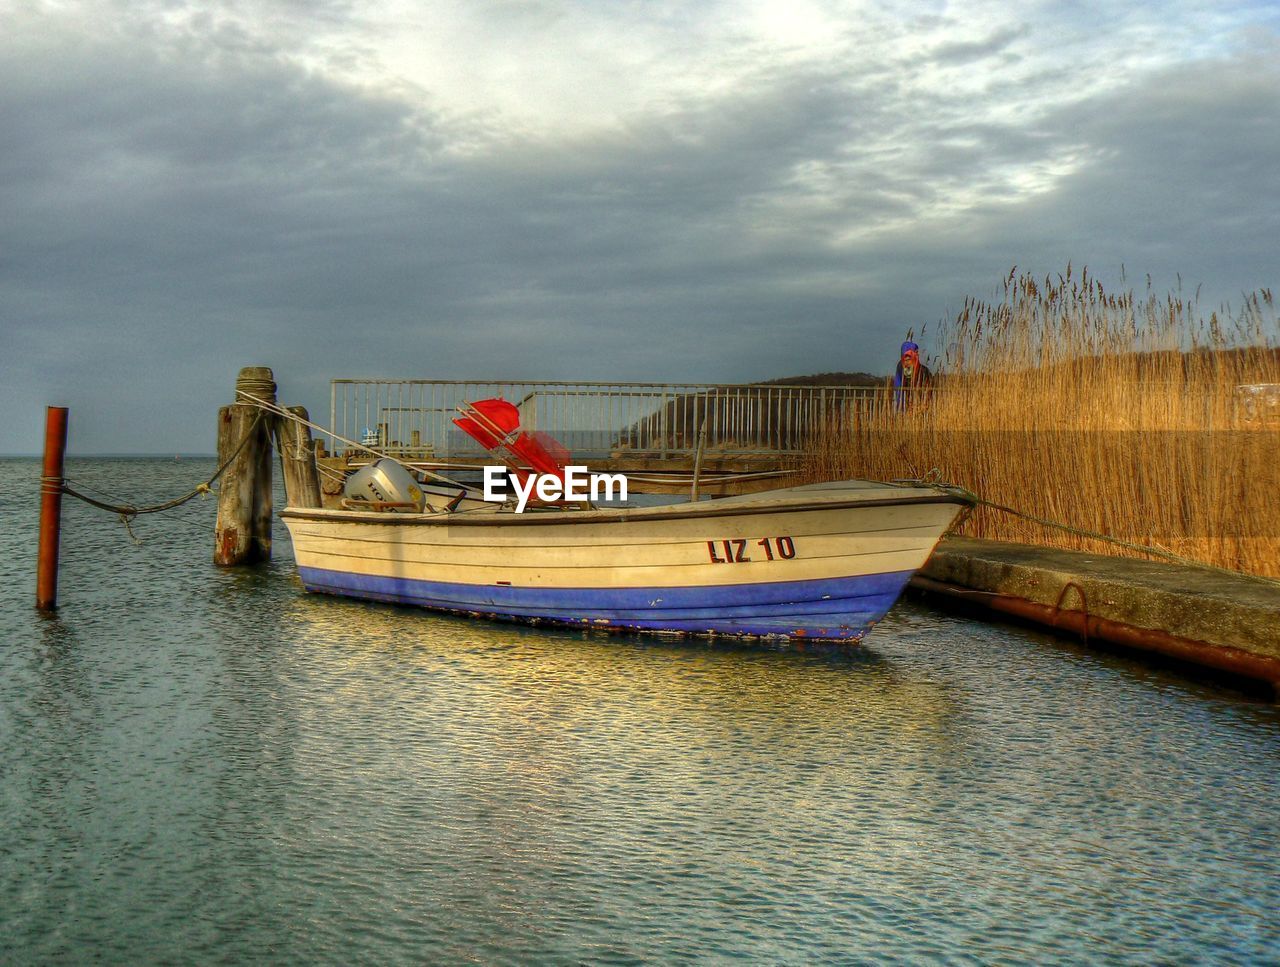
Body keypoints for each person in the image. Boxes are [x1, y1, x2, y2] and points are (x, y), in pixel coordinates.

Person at [892, 340, 932, 410]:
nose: (917, 354)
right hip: (908, 397)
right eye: (915, 351)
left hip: (914, 397)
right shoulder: (903, 365)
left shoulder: (919, 367)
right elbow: (908, 378)